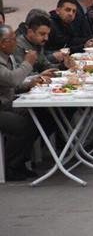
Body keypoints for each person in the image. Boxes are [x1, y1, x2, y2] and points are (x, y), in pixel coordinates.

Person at [0, 25, 46, 181]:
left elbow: (11, 85)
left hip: (7, 103)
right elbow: (12, 78)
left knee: (38, 117)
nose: (15, 43)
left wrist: (29, 84)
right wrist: (28, 63)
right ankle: (9, 165)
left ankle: (20, 162)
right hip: (2, 108)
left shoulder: (7, 57)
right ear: (2, 43)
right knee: (22, 124)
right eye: (12, 39)